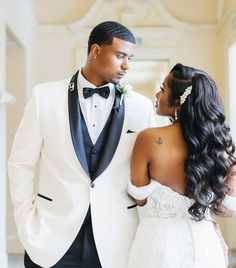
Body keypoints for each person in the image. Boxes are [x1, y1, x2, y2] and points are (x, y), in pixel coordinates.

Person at [8, 21, 156, 268]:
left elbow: (151, 171)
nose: (126, 65)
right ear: (96, 51)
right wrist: (25, 222)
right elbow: (20, 163)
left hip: (116, 241)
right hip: (51, 238)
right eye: (120, 55)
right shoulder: (44, 97)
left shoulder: (141, 107)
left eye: (130, 57)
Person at [127, 63, 236, 268]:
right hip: (205, 246)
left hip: (158, 245)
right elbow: (226, 209)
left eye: (163, 88)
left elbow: (139, 198)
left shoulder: (149, 138)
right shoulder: (219, 143)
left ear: (179, 101)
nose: (157, 94)